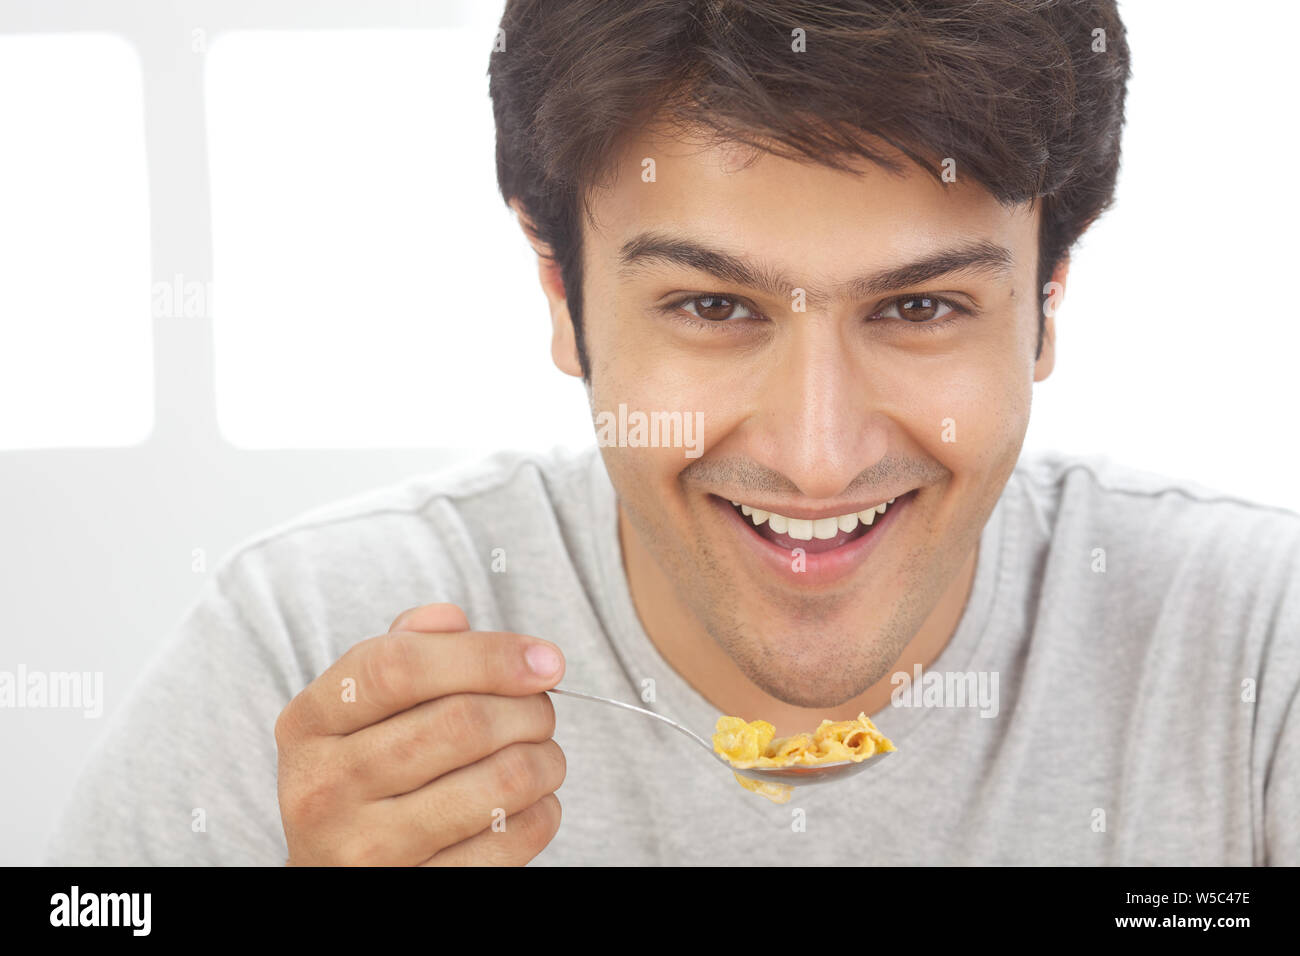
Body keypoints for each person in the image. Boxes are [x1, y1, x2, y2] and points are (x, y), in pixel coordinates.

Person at [47, 0, 1299, 866]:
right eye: (712, 304)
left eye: (919, 307)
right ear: (561, 294)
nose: (817, 453)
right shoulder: (311, 648)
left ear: (1045, 304)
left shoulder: (1257, 663)